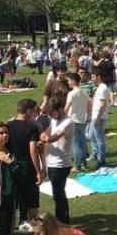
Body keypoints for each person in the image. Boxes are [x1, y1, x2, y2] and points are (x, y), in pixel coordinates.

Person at [7, 98, 44, 229]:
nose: (35, 114)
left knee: (12, 201)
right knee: (32, 200)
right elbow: (33, 151)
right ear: (28, 111)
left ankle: (9, 229)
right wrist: (39, 171)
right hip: (27, 166)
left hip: (12, 166)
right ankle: (36, 228)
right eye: (34, 111)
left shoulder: (8, 126)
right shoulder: (31, 127)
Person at [40, 96, 73, 224]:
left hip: (61, 164)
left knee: (58, 194)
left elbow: (53, 137)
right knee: (57, 193)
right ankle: (61, 218)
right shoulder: (54, 120)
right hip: (52, 162)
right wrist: (44, 136)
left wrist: (45, 138)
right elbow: (46, 132)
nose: (52, 116)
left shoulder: (68, 122)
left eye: (52, 113)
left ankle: (62, 220)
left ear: (60, 109)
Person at [64, 72, 90, 171]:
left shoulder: (71, 94)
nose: (68, 82)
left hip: (73, 120)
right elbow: (88, 106)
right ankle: (83, 162)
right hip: (82, 120)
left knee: (75, 144)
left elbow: (67, 107)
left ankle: (77, 165)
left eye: (69, 81)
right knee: (82, 142)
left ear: (74, 81)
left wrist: (61, 118)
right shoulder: (84, 93)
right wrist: (88, 117)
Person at [88, 68, 110, 169]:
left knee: (99, 138)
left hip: (98, 116)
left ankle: (101, 159)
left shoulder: (102, 88)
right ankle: (97, 154)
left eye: (93, 76)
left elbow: (102, 104)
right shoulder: (99, 87)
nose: (92, 78)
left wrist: (98, 119)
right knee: (91, 135)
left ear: (99, 77)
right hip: (95, 115)